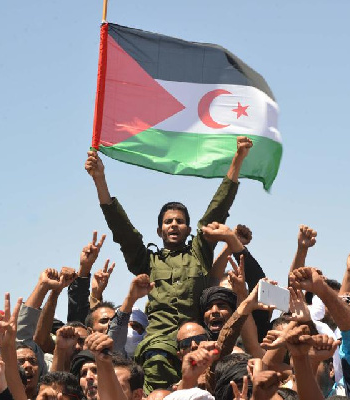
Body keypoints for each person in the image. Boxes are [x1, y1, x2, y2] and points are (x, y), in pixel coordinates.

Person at [85, 136, 253, 393]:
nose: (173, 224)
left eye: (179, 221)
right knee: (156, 360)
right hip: (159, 345)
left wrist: (238, 159)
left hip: (196, 339)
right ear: (159, 229)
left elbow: (217, 209)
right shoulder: (147, 261)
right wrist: (100, 180)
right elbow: (122, 229)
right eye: (168, 221)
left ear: (188, 229)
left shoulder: (199, 252)